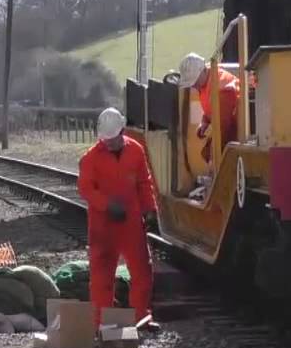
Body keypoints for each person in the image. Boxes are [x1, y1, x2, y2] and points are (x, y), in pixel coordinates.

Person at [77, 107, 160, 332]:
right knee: (102, 276)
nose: (109, 143)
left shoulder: (136, 151)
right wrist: (106, 205)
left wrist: (149, 209)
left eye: (113, 139)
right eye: (106, 140)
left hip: (131, 223)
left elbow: (144, 182)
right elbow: (85, 189)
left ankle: (142, 318)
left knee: (142, 272)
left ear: (122, 130)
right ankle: (101, 325)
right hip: (102, 227)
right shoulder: (90, 159)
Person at [178, 52, 242, 163]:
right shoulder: (205, 83)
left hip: (236, 137)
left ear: (203, 70)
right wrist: (205, 122)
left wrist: (213, 158)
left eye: (194, 81)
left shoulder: (222, 89)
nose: (193, 86)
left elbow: (223, 129)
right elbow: (212, 108)